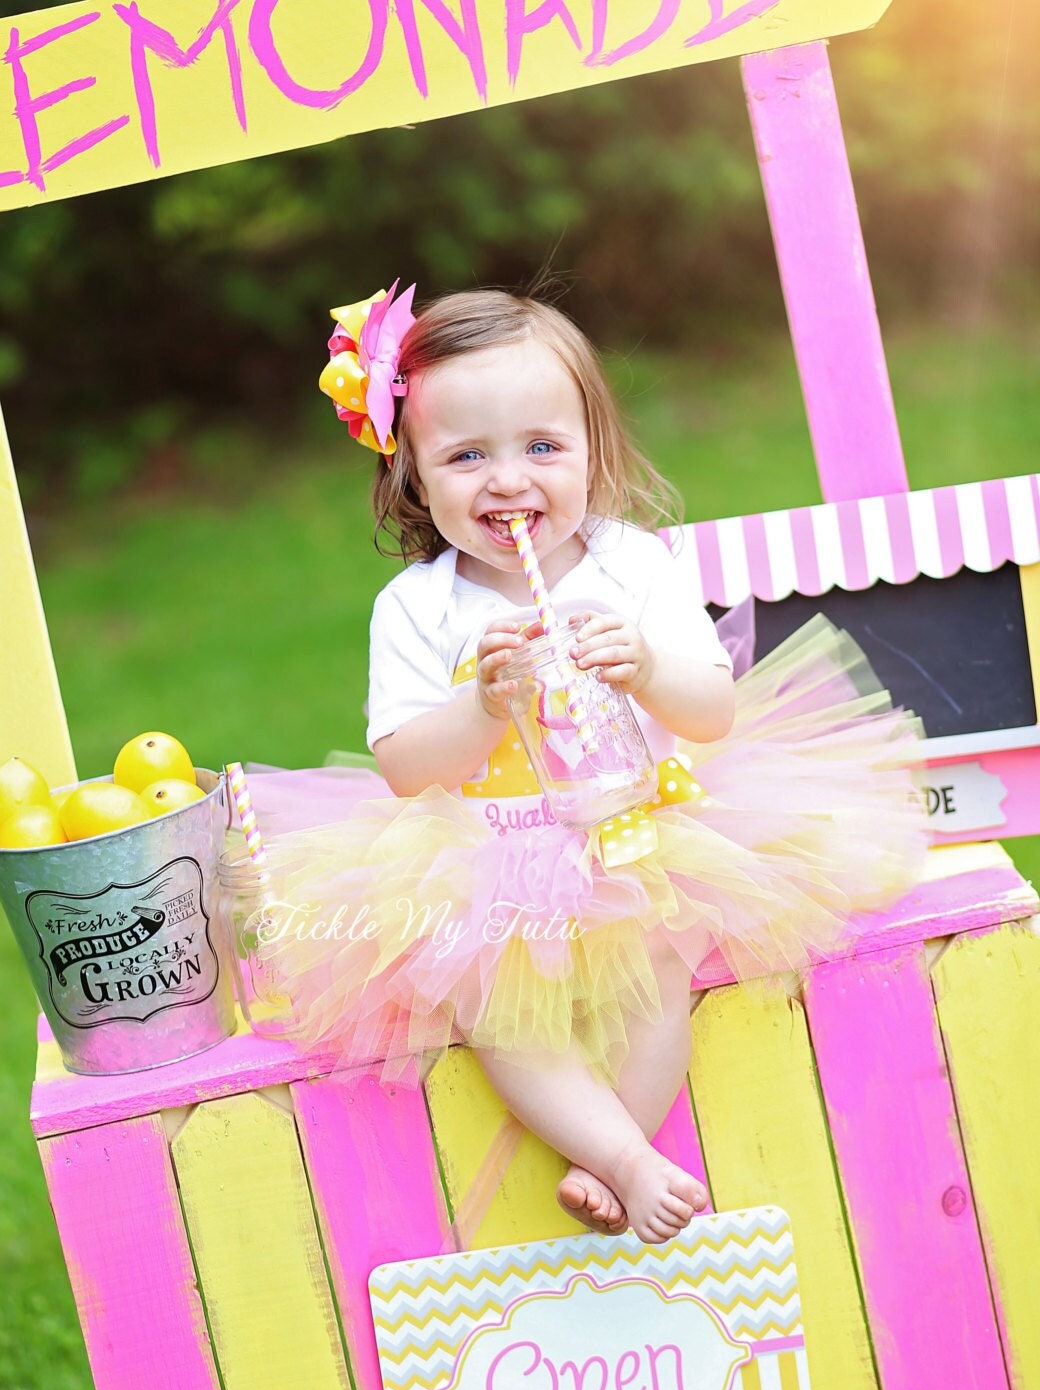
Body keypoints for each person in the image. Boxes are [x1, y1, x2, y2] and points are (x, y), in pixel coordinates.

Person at [250, 282, 926, 1246]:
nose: (507, 480)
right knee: (491, 1002)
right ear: (413, 474)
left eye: (541, 447)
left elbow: (714, 709)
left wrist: (648, 666)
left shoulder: (630, 567)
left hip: (643, 828)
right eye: (466, 456)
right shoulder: (417, 607)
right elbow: (404, 765)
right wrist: (485, 704)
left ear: (591, 450)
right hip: (487, 854)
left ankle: (614, 1149)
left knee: (658, 958)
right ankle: (625, 1162)